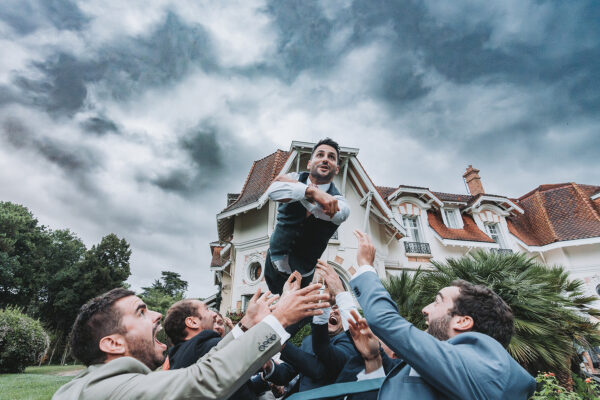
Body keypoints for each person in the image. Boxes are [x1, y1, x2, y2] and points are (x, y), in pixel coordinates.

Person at [318, 230, 537, 400]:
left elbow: (384, 320)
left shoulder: (484, 368)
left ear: (462, 321)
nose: (425, 308)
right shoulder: (443, 368)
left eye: (438, 301)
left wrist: (365, 268)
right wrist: (373, 359)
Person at [52, 284, 329, 400]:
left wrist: (245, 326)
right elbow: (203, 377)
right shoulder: (114, 390)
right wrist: (279, 319)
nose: (157, 314)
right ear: (112, 344)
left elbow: (204, 364)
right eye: (141, 311)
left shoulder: (97, 384)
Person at [265, 138, 350, 295]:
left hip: (302, 278)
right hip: (272, 265)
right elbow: (272, 191)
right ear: (310, 164)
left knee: (295, 318)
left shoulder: (339, 201)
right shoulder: (295, 177)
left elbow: (341, 214)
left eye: (331, 157)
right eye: (320, 155)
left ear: (337, 169)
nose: (325, 159)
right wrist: (311, 192)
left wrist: (296, 190)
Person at [164, 297, 270, 399]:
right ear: (192, 322)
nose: (214, 314)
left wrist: (248, 320)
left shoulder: (177, 357)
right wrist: (277, 319)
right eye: (206, 309)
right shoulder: (206, 345)